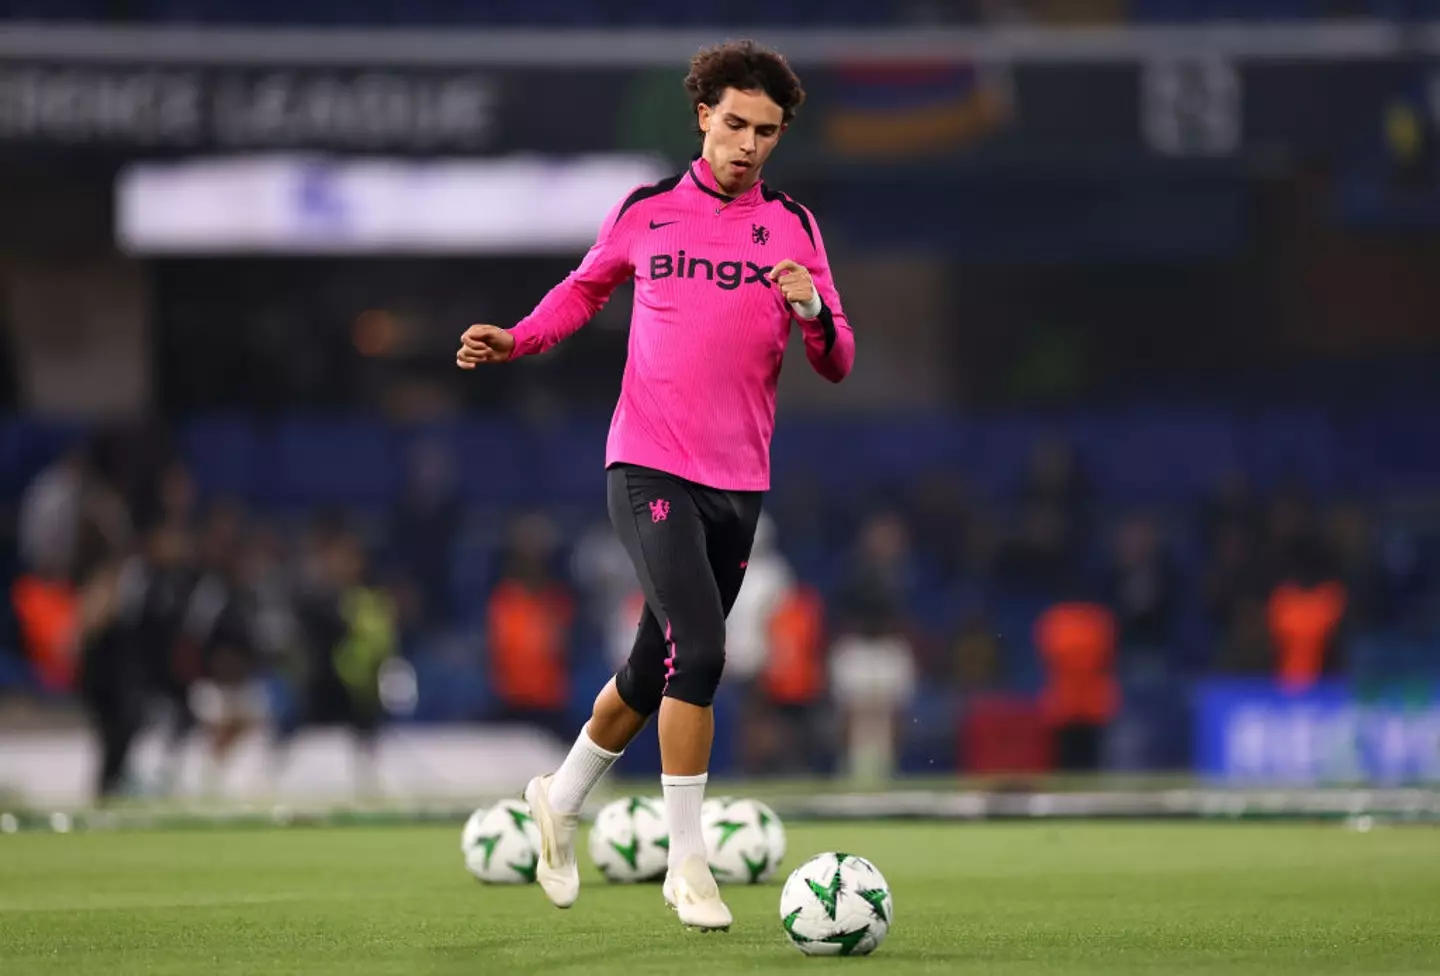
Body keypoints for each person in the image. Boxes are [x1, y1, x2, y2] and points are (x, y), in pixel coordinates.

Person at [456, 40, 854, 931]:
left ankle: (556, 802)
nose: (749, 144)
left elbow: (837, 359)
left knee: (651, 668)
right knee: (704, 652)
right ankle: (688, 866)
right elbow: (583, 290)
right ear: (703, 115)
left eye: (769, 131)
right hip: (648, 463)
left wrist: (815, 311)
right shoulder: (647, 213)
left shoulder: (793, 228)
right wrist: (517, 339)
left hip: (739, 484)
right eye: (736, 124)